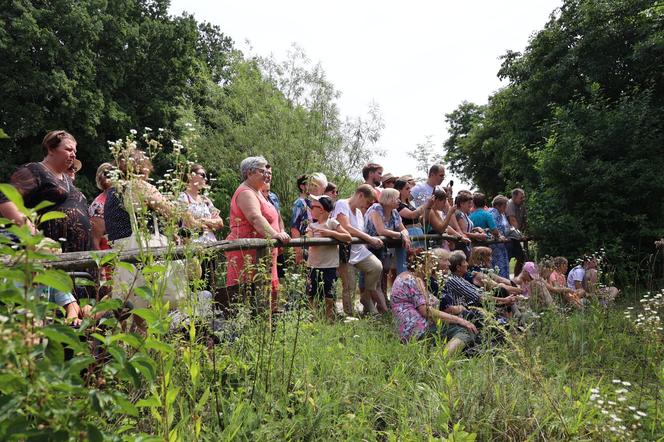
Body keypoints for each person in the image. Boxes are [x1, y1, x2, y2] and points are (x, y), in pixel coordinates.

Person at [104, 148, 201, 312]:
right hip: (142, 253)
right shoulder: (139, 186)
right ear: (142, 167)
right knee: (148, 308)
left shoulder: (113, 191)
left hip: (121, 256)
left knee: (128, 309)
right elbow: (173, 213)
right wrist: (194, 220)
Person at [0, 130, 91, 252]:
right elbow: (6, 202)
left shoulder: (68, 180)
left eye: (75, 151)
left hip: (80, 257)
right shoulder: (35, 170)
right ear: (50, 149)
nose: (74, 154)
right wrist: (37, 239)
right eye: (69, 150)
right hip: (48, 258)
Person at [223, 156, 290, 313]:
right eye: (262, 171)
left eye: (267, 170)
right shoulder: (246, 192)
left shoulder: (259, 192)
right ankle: (249, 333)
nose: (267, 174)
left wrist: (281, 232)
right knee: (247, 298)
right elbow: (255, 218)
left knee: (267, 297)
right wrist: (274, 235)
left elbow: (275, 217)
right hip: (247, 255)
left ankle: (267, 332)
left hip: (264, 255)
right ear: (249, 173)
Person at [391, 249, 477, 355]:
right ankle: (441, 359)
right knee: (465, 331)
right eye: (431, 263)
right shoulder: (411, 280)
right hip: (417, 330)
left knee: (466, 330)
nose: (433, 267)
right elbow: (426, 311)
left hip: (413, 329)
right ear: (421, 263)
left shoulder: (411, 277)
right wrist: (460, 320)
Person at [331, 184, 387, 314]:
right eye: (368, 202)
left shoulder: (359, 212)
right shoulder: (342, 204)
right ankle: (349, 315)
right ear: (360, 195)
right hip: (345, 251)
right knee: (350, 284)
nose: (368, 206)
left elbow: (358, 232)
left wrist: (369, 241)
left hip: (358, 250)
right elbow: (346, 227)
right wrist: (369, 238)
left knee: (376, 267)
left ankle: (366, 297)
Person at [306, 195, 352, 320]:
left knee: (328, 293)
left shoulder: (332, 223)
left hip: (329, 265)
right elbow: (308, 240)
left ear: (321, 209)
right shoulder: (311, 226)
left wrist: (331, 234)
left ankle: (329, 316)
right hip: (313, 265)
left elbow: (347, 237)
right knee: (311, 292)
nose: (311, 209)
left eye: (313, 206)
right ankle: (314, 316)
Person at [443, 251, 518, 309]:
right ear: (458, 267)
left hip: (476, 304)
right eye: (464, 262)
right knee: (501, 291)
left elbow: (478, 292)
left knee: (502, 292)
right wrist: (505, 300)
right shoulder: (454, 279)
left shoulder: (460, 277)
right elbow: (478, 297)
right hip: (468, 310)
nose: (467, 264)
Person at [365, 188, 411, 280]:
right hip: (369, 247)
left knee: (383, 276)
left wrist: (405, 235)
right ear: (388, 198)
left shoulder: (394, 212)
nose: (399, 201)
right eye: (397, 198)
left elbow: (403, 229)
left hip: (382, 246)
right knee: (370, 279)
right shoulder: (376, 208)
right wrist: (400, 235)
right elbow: (381, 231)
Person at [178, 164, 224, 243]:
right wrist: (210, 224)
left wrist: (202, 220)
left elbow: (220, 223)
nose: (205, 178)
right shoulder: (182, 197)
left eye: (206, 176)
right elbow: (190, 224)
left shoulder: (206, 200)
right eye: (202, 175)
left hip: (212, 245)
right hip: (192, 246)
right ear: (190, 176)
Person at [395, 179, 430, 247]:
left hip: (419, 232)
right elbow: (412, 215)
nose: (410, 190)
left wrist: (429, 208)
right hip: (409, 234)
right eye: (407, 188)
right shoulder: (398, 205)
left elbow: (419, 219)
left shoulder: (410, 204)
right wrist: (426, 204)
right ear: (399, 190)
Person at [89, 162, 114, 251]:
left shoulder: (122, 198)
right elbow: (95, 241)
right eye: (103, 173)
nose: (105, 176)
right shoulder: (98, 205)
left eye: (109, 173)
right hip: (108, 258)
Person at [506, 188, 527, 276]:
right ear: (514, 197)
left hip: (516, 235)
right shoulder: (510, 204)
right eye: (521, 197)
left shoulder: (521, 205)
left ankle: (517, 276)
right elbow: (512, 220)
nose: (523, 199)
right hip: (510, 236)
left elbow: (525, 220)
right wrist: (520, 235)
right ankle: (513, 277)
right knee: (513, 256)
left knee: (520, 257)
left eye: (523, 197)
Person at [488, 195, 510, 278]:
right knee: (498, 267)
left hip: (501, 244)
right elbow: (494, 228)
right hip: (495, 245)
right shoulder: (493, 214)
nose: (505, 208)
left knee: (503, 266)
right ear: (497, 206)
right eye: (504, 206)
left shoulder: (501, 214)